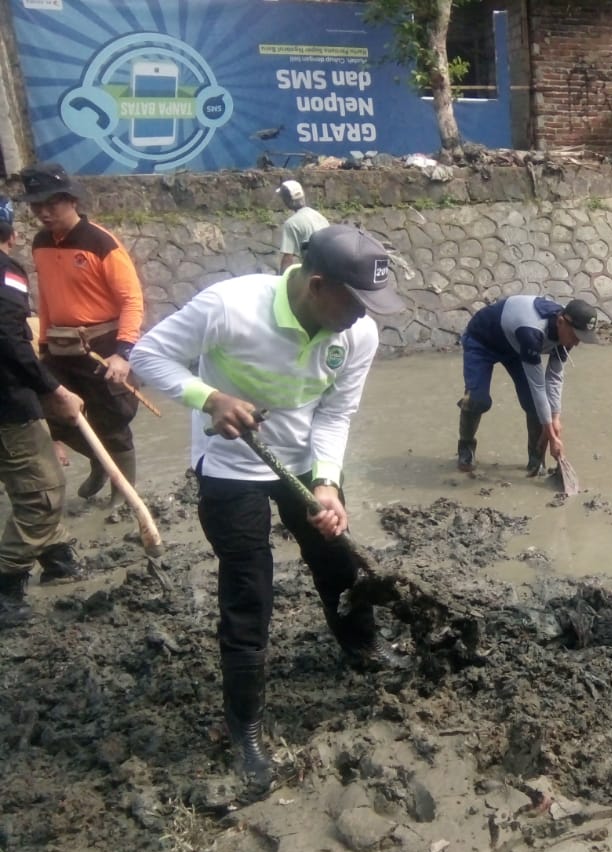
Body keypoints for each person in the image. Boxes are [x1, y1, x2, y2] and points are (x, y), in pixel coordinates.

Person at [131, 225, 406, 793]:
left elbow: (334, 414)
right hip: (232, 467)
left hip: (303, 463)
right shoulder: (230, 307)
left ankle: (362, 647)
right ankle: (246, 727)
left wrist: (327, 484)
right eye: (354, 302)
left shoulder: (357, 335)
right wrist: (209, 398)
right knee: (249, 590)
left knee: (338, 564)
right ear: (316, 284)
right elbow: (148, 355)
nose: (362, 316)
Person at [20, 162, 143, 508]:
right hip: (59, 345)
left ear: (71, 200)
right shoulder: (41, 243)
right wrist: (42, 345)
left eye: (51, 204)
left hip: (101, 345)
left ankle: (124, 491)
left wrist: (123, 353)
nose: (43, 213)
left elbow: (131, 300)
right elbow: (46, 297)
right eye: (36, 206)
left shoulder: (102, 243)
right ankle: (99, 463)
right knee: (55, 413)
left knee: (112, 419)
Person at [0, 199, 85, 626]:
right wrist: (53, 388)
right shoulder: (7, 272)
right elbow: (10, 341)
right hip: (8, 405)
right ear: (10, 235)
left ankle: (57, 558)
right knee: (42, 495)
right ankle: (7, 585)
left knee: (32, 477)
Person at [456, 296, 600, 475]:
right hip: (482, 341)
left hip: (515, 347)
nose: (576, 343)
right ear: (561, 322)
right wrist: (553, 437)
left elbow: (554, 377)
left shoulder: (567, 332)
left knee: (535, 405)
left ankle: (536, 458)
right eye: (576, 336)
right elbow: (539, 387)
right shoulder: (531, 331)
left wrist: (555, 418)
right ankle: (466, 446)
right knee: (478, 400)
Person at [278, 180, 329, 274]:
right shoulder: (320, 217)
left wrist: (282, 280)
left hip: (311, 272)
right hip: (328, 269)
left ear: (287, 200)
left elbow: (288, 258)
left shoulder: (291, 223)